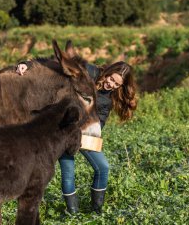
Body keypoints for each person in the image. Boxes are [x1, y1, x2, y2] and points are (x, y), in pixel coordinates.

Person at [16, 60, 137, 214]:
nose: (111, 85)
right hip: (65, 129)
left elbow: (101, 121)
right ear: (107, 72)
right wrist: (28, 64)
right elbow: (61, 63)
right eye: (111, 79)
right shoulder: (90, 73)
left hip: (86, 134)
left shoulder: (107, 99)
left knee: (103, 167)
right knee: (68, 173)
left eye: (116, 84)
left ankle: (97, 211)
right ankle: (73, 214)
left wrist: (86, 132)